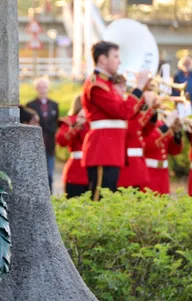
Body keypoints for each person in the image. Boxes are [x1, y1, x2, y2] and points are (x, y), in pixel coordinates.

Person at [80, 41, 152, 201]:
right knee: (99, 200)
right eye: (115, 56)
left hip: (112, 151)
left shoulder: (107, 84)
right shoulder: (97, 85)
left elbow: (128, 113)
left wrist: (143, 97)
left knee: (108, 200)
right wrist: (139, 87)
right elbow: (123, 111)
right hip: (102, 150)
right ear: (103, 59)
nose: (119, 61)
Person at [117, 76, 154, 191]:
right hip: (127, 166)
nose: (124, 89)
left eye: (124, 86)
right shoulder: (121, 108)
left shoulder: (127, 106)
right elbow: (131, 126)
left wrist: (152, 111)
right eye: (120, 86)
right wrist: (147, 107)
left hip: (138, 165)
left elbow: (143, 131)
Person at [26, 77, 59, 191]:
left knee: (49, 174)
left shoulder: (54, 105)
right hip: (36, 143)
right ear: (36, 88)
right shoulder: (30, 105)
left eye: (44, 86)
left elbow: (55, 123)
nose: (42, 89)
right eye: (40, 87)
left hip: (49, 144)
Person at [55, 95, 89, 198]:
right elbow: (61, 140)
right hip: (78, 168)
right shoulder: (70, 121)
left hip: (80, 168)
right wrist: (77, 126)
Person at [143, 110, 181, 195]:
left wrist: (177, 133)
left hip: (163, 174)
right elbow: (148, 145)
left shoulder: (163, 124)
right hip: (149, 172)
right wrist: (166, 126)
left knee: (163, 204)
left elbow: (174, 151)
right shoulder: (147, 124)